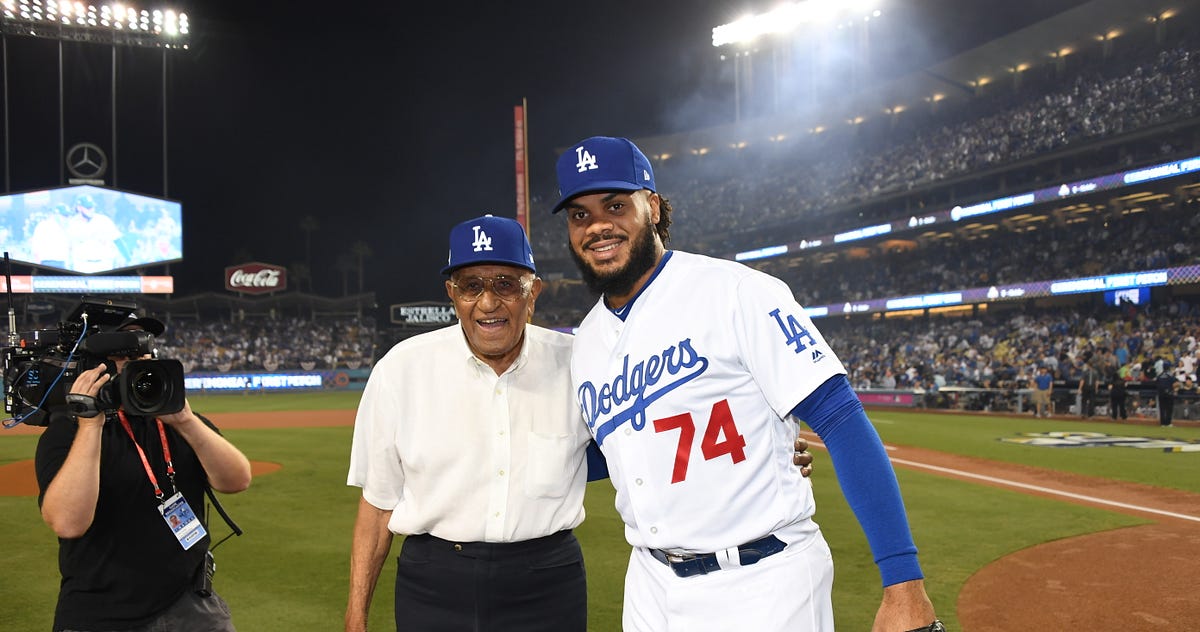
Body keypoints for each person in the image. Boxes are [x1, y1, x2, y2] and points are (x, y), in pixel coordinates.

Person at [345, 215, 816, 631]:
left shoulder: (584, 362)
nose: (489, 302)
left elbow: (656, 433)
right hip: (434, 581)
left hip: (545, 583)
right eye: (471, 286)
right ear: (453, 295)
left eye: (506, 284)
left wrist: (765, 445)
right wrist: (356, 616)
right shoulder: (400, 370)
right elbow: (379, 504)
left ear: (533, 293)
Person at [551, 136, 940, 632]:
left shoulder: (736, 292)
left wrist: (903, 583)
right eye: (579, 215)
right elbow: (621, 448)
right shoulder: (585, 342)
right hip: (649, 586)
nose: (598, 225)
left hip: (763, 582)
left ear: (652, 207)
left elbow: (840, 418)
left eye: (614, 205)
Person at [35, 316, 252, 632]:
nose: (139, 362)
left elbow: (237, 480)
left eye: (143, 351)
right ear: (95, 365)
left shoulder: (177, 422)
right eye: (124, 354)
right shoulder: (67, 433)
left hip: (192, 605)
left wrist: (186, 421)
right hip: (102, 615)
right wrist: (91, 423)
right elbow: (68, 522)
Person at [65, 193, 126, 273]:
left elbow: (118, 240)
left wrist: (126, 257)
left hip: (103, 264)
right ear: (79, 208)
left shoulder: (104, 220)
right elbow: (68, 247)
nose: (92, 210)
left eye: (92, 207)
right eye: (88, 207)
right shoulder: (72, 224)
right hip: (81, 265)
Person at [1155, 362, 1178, 427]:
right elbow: (1175, 383)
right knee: (1169, 409)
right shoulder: (1170, 375)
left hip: (1161, 394)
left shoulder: (1160, 375)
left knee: (1162, 408)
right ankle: (1168, 423)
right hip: (1169, 393)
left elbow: (1156, 383)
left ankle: (1162, 423)